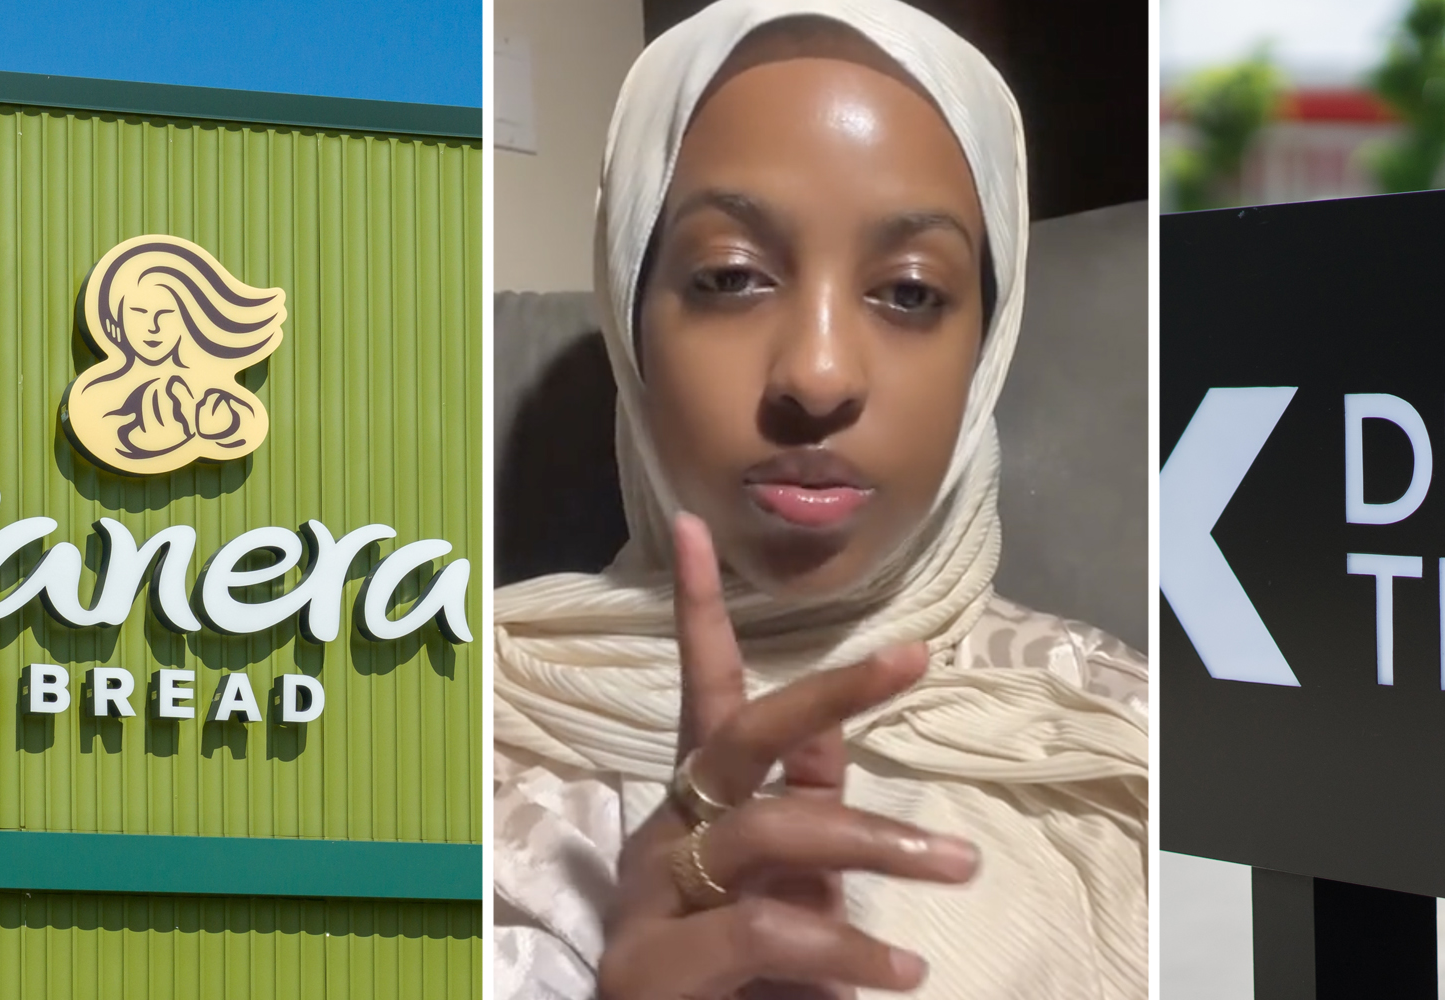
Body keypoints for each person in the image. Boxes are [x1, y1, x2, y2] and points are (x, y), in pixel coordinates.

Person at [492, 1, 1148, 997]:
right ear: (631, 323)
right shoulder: (435, 746)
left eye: (911, 291)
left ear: (986, 345)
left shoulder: (1131, 753)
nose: (818, 371)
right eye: (730, 275)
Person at [65, 235, 286, 475]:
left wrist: (213, 427)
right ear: (116, 318)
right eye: (139, 312)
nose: (153, 326)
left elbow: (247, 427)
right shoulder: (94, 396)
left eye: (166, 313)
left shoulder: (212, 395)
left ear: (186, 319)